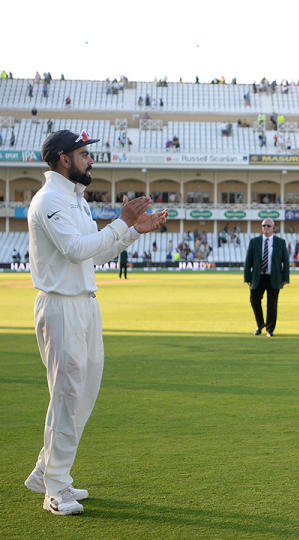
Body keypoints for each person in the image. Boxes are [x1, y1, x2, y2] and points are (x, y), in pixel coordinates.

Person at [24, 129, 167, 516]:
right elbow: (74, 250)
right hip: (60, 306)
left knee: (81, 394)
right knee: (69, 396)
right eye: (84, 154)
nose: (91, 160)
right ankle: (55, 488)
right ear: (63, 159)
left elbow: (94, 256)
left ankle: (46, 472)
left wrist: (133, 232)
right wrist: (122, 222)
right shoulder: (49, 200)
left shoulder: (75, 200)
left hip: (84, 304)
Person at [243, 218, 289, 337]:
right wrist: (247, 278)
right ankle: (260, 324)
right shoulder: (254, 242)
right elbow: (248, 261)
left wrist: (285, 278)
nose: (266, 228)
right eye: (264, 225)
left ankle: (270, 330)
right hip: (258, 277)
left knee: (272, 305)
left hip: (274, 277)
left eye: (268, 226)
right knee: (254, 301)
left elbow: (286, 262)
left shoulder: (280, 242)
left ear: (273, 228)